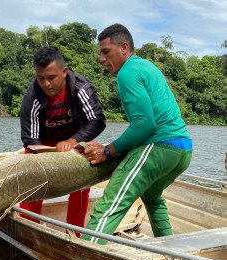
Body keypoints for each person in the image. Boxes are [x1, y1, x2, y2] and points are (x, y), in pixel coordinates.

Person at [81, 23, 193, 244]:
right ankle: (171, 252)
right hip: (183, 150)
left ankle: (86, 252)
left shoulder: (127, 73)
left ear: (123, 48)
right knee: (152, 197)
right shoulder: (146, 67)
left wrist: (107, 150)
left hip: (159, 146)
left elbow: (144, 124)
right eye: (100, 53)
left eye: (106, 52)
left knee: (110, 204)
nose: (101, 59)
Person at [19, 45, 106, 232]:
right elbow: (30, 139)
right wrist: (46, 159)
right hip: (44, 144)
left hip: (75, 140)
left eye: (51, 77)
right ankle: (28, 226)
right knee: (33, 179)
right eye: (40, 78)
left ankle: (74, 232)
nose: (46, 84)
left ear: (64, 71)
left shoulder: (81, 87)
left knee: (82, 181)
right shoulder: (32, 96)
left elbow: (97, 121)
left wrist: (73, 141)